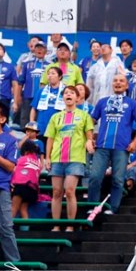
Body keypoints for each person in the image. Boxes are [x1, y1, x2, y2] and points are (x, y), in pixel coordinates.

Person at [88, 75, 136, 214]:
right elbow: (90, 121)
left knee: (118, 180)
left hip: (122, 147)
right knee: (95, 177)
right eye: (115, 80)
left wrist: (135, 142)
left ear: (127, 86)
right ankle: (92, 207)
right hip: (102, 146)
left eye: (121, 81)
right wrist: (89, 138)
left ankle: (114, 208)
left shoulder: (132, 103)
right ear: (112, 84)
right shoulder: (102, 101)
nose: (118, 83)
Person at [44, 86, 95, 232]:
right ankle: (56, 225)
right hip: (57, 158)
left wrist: (89, 142)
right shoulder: (55, 117)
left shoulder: (84, 116)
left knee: (70, 191)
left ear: (77, 98)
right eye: (66, 93)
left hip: (76, 159)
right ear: (63, 98)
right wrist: (47, 157)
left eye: (72, 93)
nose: (68, 95)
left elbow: (89, 135)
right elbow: (50, 138)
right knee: (56, 192)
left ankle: (70, 225)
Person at [0, 101, 20, 262]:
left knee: (5, 228)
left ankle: (15, 266)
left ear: (2, 119)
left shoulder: (10, 140)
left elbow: (10, 167)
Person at [18, 42, 49, 128]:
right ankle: (24, 135)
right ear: (34, 50)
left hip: (43, 98)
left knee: (40, 121)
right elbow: (20, 82)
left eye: (42, 48)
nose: (39, 50)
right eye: (37, 48)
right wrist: (18, 97)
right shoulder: (27, 64)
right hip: (28, 97)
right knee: (25, 120)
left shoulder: (49, 65)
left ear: (46, 51)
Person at [30, 66, 65, 140]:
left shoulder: (66, 91)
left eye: (53, 73)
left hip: (58, 126)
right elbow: (33, 109)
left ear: (60, 77)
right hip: (42, 127)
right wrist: (31, 123)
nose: (50, 75)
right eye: (48, 74)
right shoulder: (41, 91)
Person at [11, 140, 42, 220]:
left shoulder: (22, 159)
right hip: (33, 190)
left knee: (13, 208)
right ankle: (26, 228)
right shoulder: (38, 162)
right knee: (23, 208)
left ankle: (6, 227)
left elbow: (14, 171)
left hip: (22, 187)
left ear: (25, 150)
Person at [0, 43, 21, 112]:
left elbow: (15, 85)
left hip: (4, 100)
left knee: (3, 118)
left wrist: (15, 102)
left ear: (4, 53)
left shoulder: (10, 67)